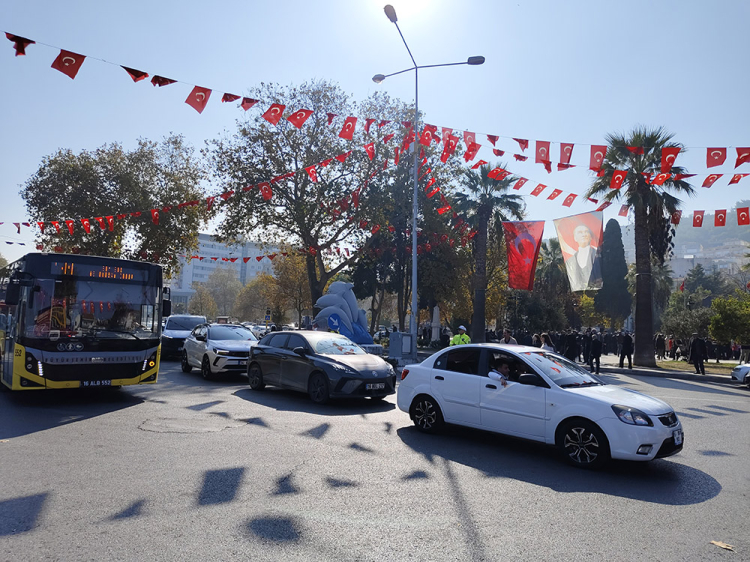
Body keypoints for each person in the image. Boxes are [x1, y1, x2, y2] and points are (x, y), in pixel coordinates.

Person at [563, 224, 603, 292]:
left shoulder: (598, 255)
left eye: (586, 232)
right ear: (575, 238)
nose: (584, 234)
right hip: (579, 294)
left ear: (590, 237)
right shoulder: (570, 261)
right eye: (580, 232)